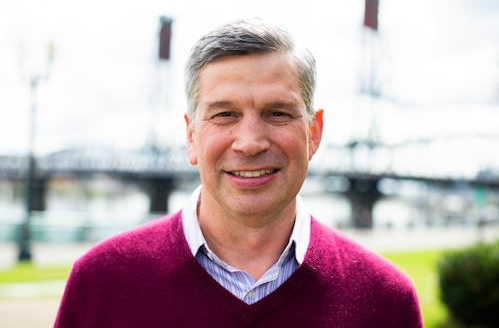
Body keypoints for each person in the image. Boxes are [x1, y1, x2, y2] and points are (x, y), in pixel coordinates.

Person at [54, 18, 423, 327]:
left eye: (277, 113)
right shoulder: (100, 283)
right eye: (224, 114)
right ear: (191, 137)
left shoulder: (386, 302)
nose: (250, 143)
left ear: (314, 133)